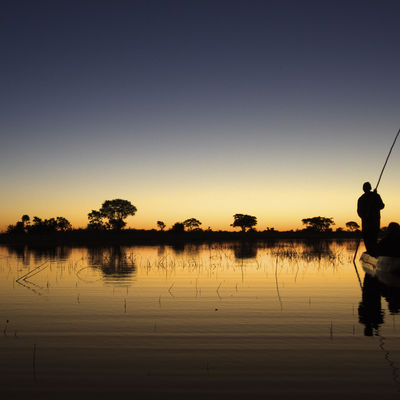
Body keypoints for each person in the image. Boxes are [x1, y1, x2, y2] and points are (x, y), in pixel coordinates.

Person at [357, 182, 384, 256]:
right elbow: (359, 212)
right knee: (371, 239)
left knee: (370, 239)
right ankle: (372, 254)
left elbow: (381, 206)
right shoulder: (363, 198)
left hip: (372, 223)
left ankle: (373, 254)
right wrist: (365, 216)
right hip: (369, 223)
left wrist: (374, 199)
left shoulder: (374, 196)